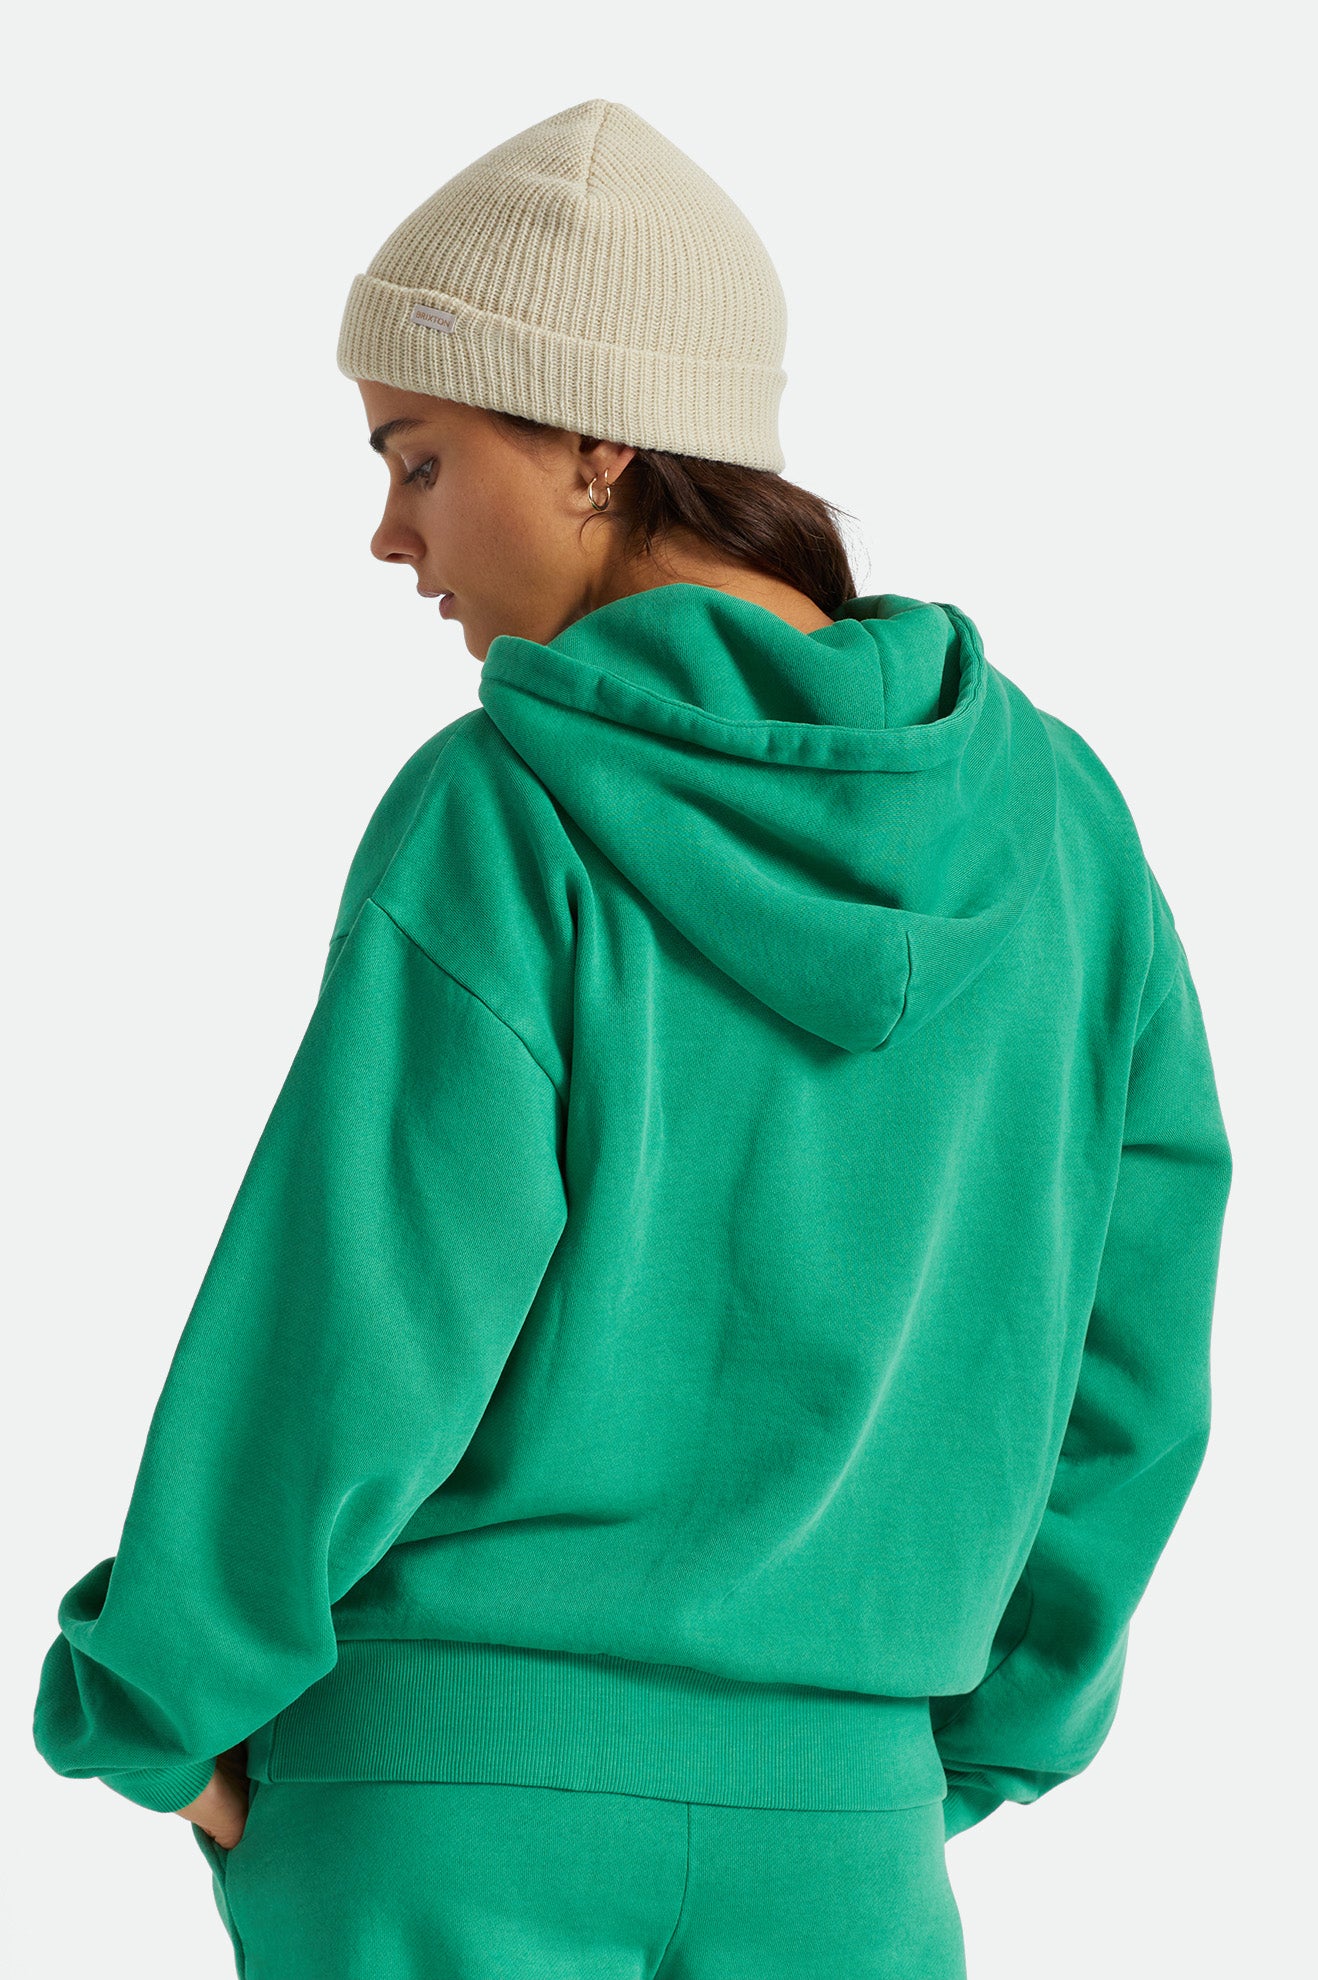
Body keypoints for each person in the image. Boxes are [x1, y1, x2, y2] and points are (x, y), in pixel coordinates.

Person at [31, 97, 1233, 1979]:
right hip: (841, 1835)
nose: (387, 533)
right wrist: (983, 1727)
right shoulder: (1063, 831)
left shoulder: (500, 808)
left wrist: (161, 1696)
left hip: (442, 1794)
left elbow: (361, 1314)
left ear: (596, 441)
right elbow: (1131, 1348)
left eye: (419, 458)